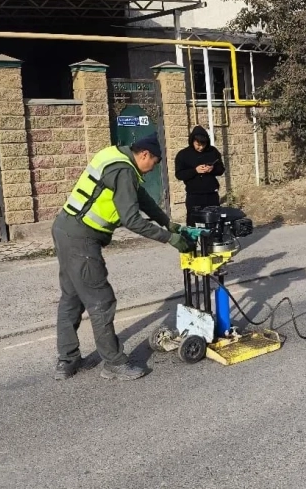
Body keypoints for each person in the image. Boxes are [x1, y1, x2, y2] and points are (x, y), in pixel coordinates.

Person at [52, 133, 194, 382]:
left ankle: (67, 360)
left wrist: (167, 222)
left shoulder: (115, 156)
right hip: (81, 239)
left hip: (65, 229)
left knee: (72, 297)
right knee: (101, 301)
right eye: (155, 162)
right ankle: (114, 363)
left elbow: (141, 198)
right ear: (144, 154)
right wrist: (169, 238)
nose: (154, 168)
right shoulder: (124, 171)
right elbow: (132, 220)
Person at [174, 125, 226, 225]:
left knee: (214, 222)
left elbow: (221, 169)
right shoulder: (183, 155)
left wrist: (212, 169)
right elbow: (179, 174)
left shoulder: (213, 151)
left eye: (203, 144)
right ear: (192, 141)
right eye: (198, 144)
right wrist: (195, 171)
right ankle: (192, 236)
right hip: (194, 196)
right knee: (193, 223)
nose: (201, 147)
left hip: (211, 194)